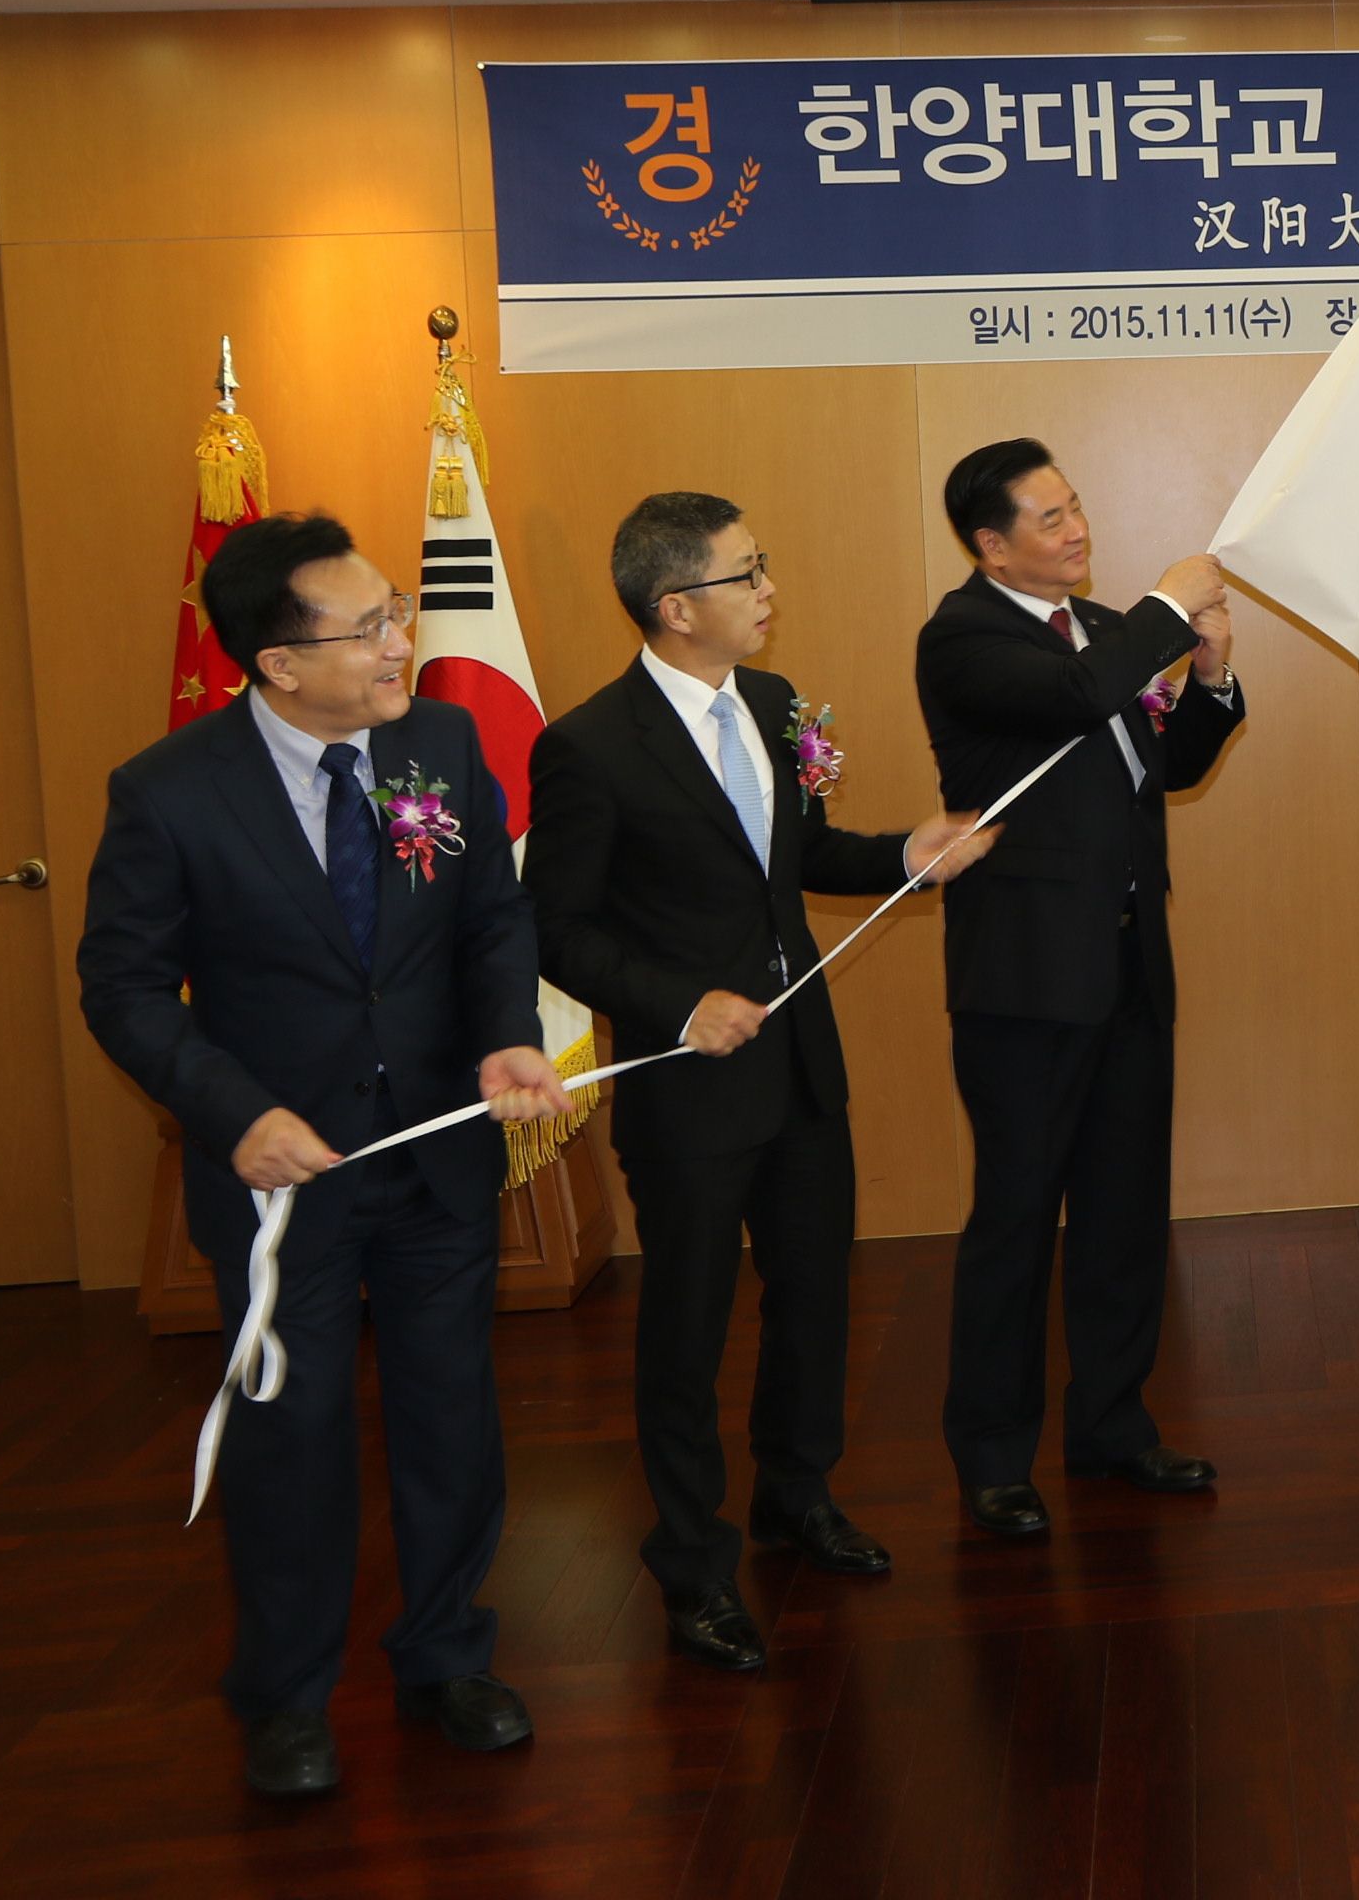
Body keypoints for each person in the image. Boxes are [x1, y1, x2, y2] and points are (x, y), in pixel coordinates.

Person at [75, 512, 571, 1798]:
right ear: (280, 663)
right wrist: (231, 1110)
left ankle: (447, 1654)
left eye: (396, 609)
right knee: (290, 1434)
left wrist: (508, 1037)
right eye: (370, 628)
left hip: (435, 1154)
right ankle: (287, 1695)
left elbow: (491, 916)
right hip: (277, 1180)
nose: (402, 640)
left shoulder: (440, 741)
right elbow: (123, 988)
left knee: (450, 1415)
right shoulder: (170, 789)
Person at [525, 494, 994, 1674]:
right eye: (746, 573)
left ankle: (799, 1494)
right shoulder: (589, 744)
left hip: (800, 1066)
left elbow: (796, 859)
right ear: (676, 607)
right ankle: (692, 1563)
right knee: (687, 1329)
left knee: (815, 1296)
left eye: (763, 564)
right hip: (689, 1087)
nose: (769, 588)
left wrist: (904, 853)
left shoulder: (774, 702)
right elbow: (558, 928)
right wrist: (679, 1005)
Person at [917, 440, 1244, 1539]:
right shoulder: (964, 637)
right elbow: (1076, 697)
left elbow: (1165, 765)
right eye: (1049, 517)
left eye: (1076, 506)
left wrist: (1209, 678)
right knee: (1017, 1220)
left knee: (1123, 1213)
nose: (1077, 529)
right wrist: (1170, 605)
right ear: (990, 543)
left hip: (1131, 966)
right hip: (1026, 981)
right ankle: (993, 1458)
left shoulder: (1104, 628)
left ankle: (1113, 1426)